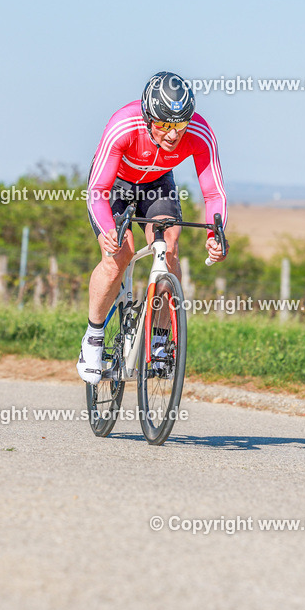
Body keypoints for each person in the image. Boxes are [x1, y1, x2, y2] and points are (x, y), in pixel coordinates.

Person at [77, 71, 228, 383]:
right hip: (114, 183)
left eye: (180, 125)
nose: (173, 135)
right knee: (120, 253)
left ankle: (159, 338)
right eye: (164, 125)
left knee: (169, 247)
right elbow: (97, 192)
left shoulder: (200, 132)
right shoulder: (124, 125)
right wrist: (108, 232)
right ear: (147, 117)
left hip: (157, 183)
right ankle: (92, 338)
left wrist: (216, 235)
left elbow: (214, 194)